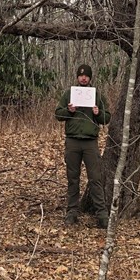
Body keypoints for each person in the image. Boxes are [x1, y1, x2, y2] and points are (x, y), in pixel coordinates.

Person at [55, 63, 111, 228]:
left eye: (86, 75)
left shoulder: (97, 95)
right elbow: (58, 114)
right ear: (77, 77)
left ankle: (102, 215)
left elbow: (107, 118)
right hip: (72, 141)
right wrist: (69, 110)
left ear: (90, 77)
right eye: (81, 75)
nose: (83, 77)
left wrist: (98, 113)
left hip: (90, 143)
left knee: (95, 178)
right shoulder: (69, 94)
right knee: (73, 178)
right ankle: (72, 212)